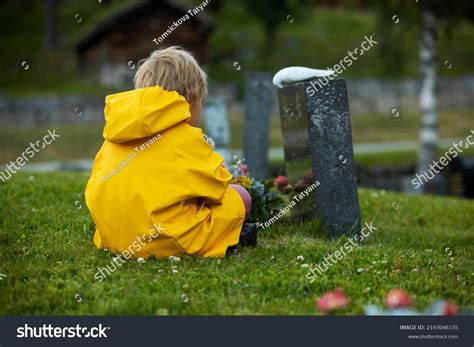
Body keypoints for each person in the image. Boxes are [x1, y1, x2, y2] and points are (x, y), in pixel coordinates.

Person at [85, 47, 255, 260]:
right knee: (241, 196)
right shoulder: (185, 137)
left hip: (114, 236)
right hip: (168, 239)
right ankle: (233, 235)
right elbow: (217, 190)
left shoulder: (114, 135)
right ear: (191, 99)